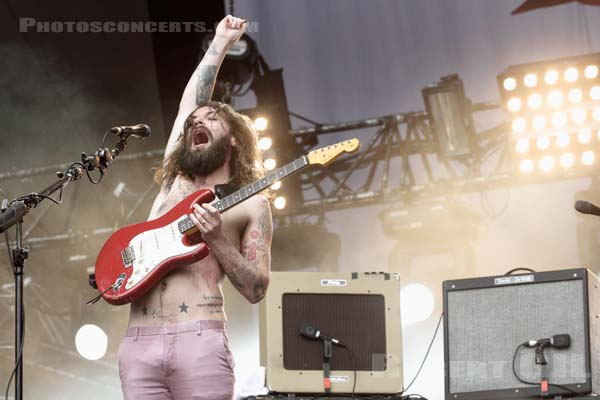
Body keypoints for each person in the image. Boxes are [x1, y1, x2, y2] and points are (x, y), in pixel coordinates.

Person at [117, 15, 272, 400]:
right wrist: (218, 44)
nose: (196, 122)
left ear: (234, 140)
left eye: (211, 119)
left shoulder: (254, 204)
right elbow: (192, 103)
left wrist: (218, 239)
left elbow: (256, 287)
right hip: (138, 342)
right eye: (193, 124)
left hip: (200, 340)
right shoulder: (176, 181)